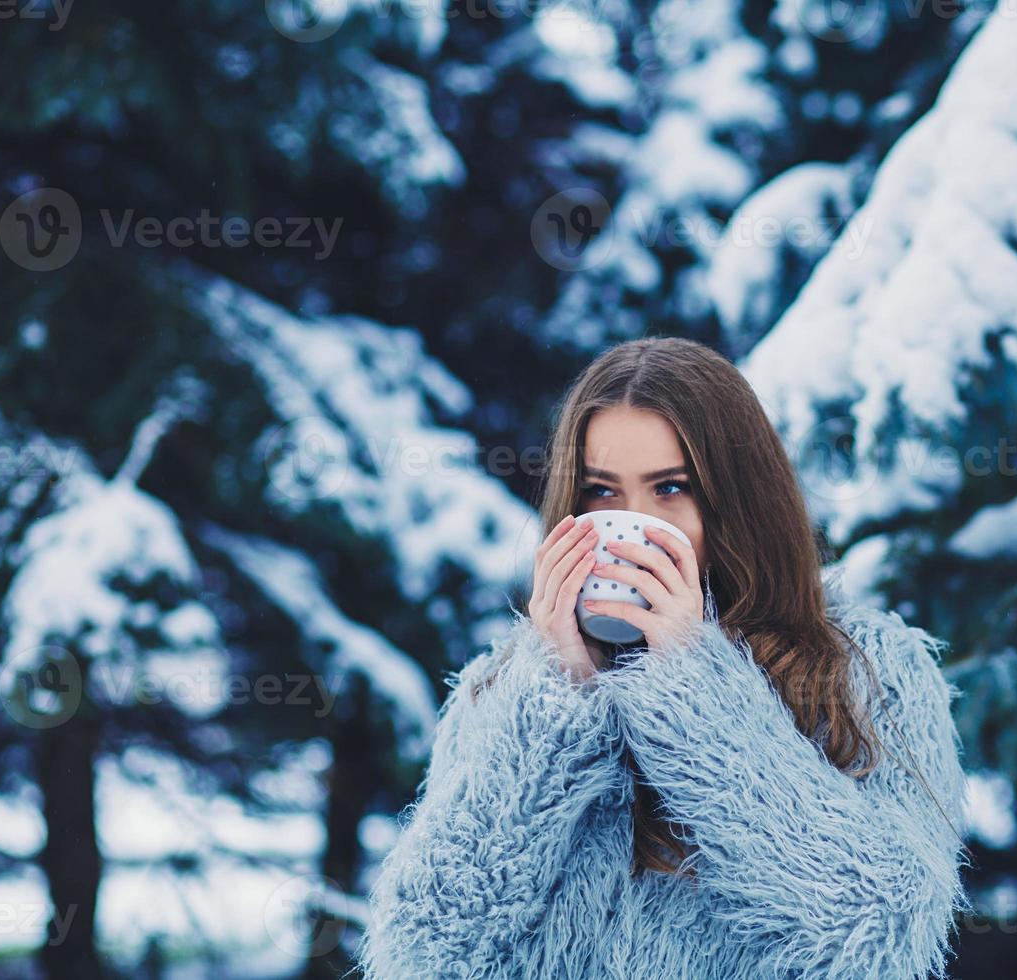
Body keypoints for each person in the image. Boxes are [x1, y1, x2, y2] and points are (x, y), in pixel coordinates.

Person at [356, 337, 970, 979]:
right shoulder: (504, 691)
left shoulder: (868, 674)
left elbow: (879, 931)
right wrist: (557, 700)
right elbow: (423, 955)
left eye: (670, 488)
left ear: (736, 501)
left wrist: (695, 691)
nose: (633, 527)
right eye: (602, 492)